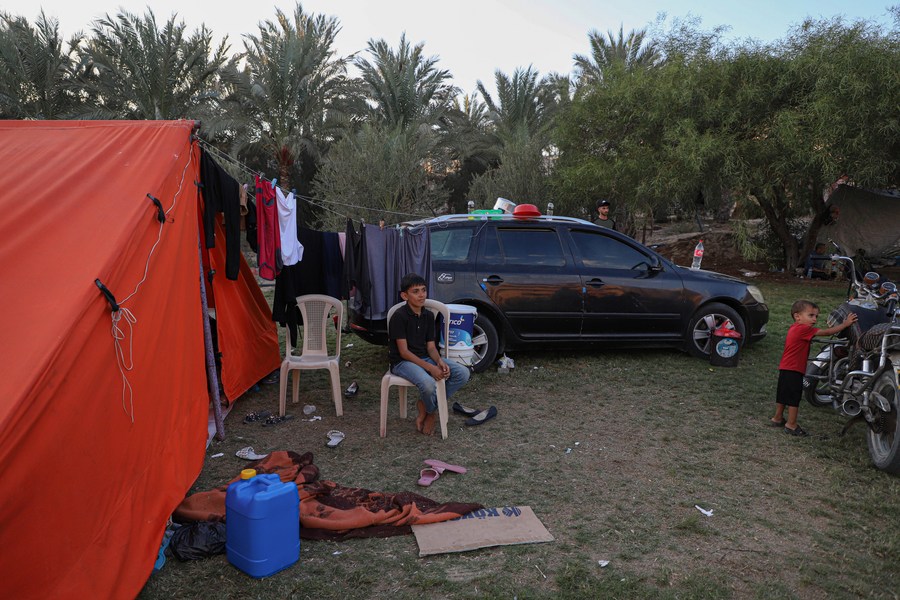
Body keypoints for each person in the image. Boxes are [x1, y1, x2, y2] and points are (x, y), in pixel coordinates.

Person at [388, 273, 471, 435]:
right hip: (402, 362)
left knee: (462, 373)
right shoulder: (399, 316)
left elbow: (431, 347)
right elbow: (404, 352)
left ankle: (425, 406)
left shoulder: (428, 315)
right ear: (404, 296)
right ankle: (431, 413)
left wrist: (439, 361)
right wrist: (430, 368)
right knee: (428, 383)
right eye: (415, 291)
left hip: (425, 358)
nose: (421, 295)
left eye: (424, 290)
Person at [770, 299, 857, 436]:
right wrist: (845, 324)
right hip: (795, 369)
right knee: (794, 398)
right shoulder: (804, 329)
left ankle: (777, 418)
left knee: (783, 394)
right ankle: (791, 425)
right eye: (811, 315)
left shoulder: (794, 328)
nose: (815, 319)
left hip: (785, 367)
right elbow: (827, 332)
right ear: (797, 316)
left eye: (816, 316)